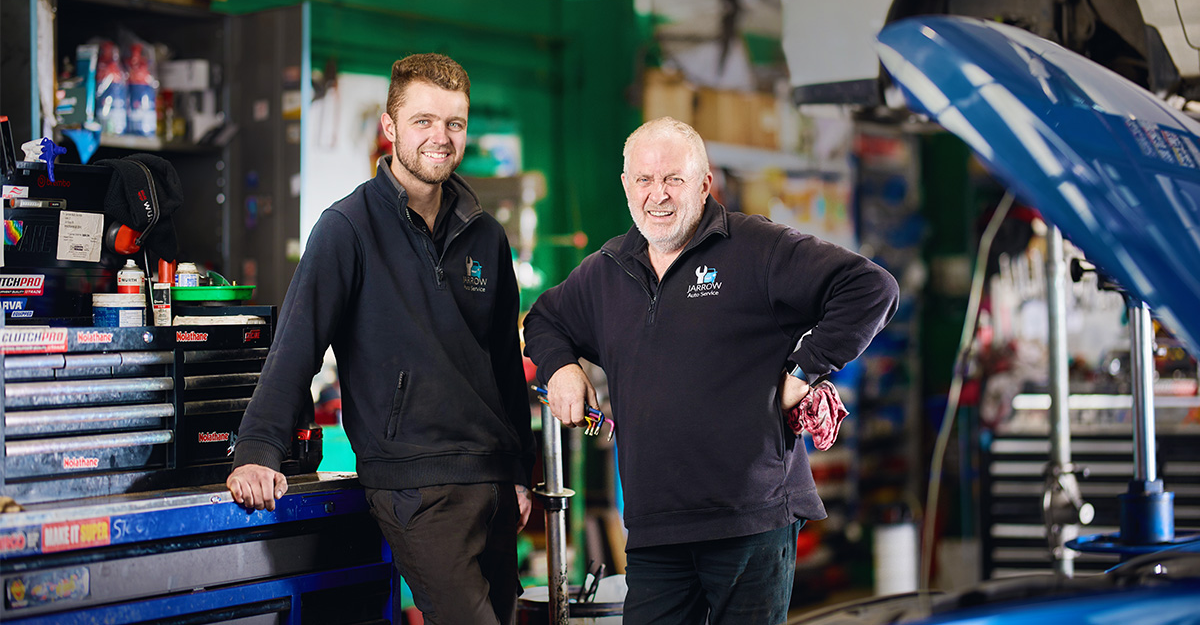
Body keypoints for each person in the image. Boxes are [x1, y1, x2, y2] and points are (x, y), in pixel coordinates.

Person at [523, 117, 899, 623]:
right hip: (655, 527)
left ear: (704, 184)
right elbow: (544, 320)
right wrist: (562, 369)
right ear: (627, 185)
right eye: (644, 179)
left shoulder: (757, 248)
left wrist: (804, 370)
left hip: (750, 521)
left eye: (673, 179)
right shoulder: (607, 270)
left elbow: (871, 288)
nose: (658, 194)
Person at [226, 53, 536, 624]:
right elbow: (297, 346)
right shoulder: (346, 228)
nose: (441, 137)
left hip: (492, 481)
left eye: (455, 123)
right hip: (415, 485)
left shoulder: (486, 236)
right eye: (424, 121)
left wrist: (519, 472)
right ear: (390, 127)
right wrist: (256, 451)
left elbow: (503, 365)